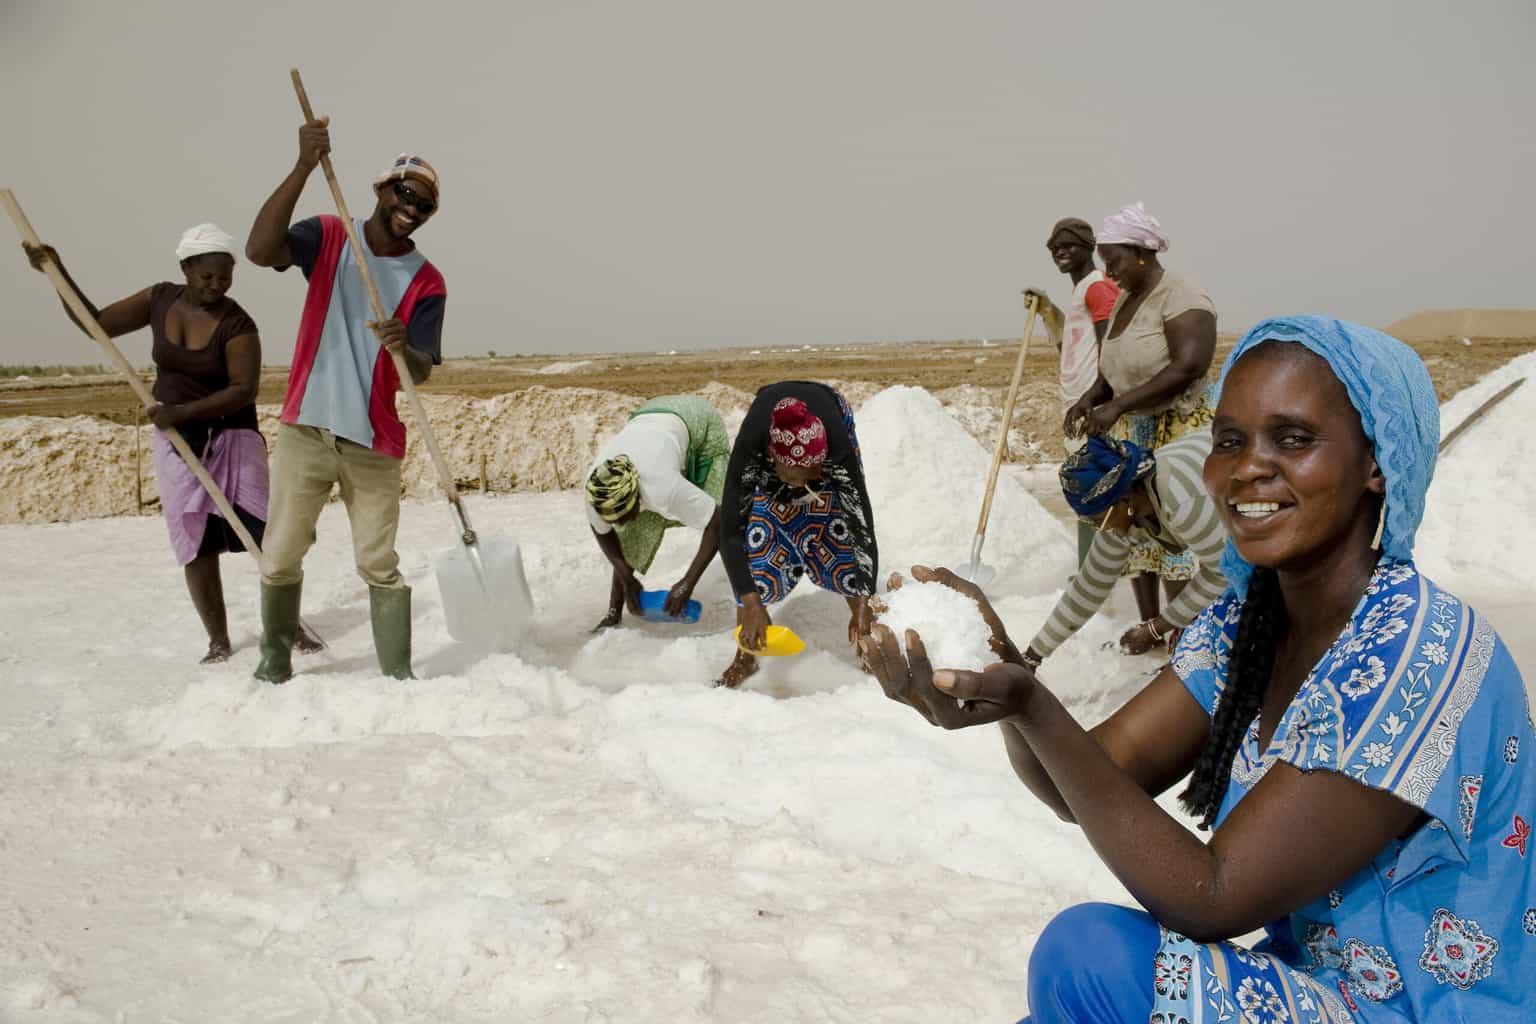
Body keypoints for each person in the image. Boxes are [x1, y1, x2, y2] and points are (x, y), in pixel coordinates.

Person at [862, 316, 1533, 1022]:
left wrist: (1032, 704)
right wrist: (996, 679)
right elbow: (1085, 781)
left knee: (1085, 957)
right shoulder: (1248, 624)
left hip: (1430, 1011)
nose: (1247, 467)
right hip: (1321, 990)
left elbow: (1211, 896)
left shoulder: (1418, 648)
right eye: (1230, 440)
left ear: (1376, 463)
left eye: (1294, 439)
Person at [19, 224, 318, 664]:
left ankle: (290, 625)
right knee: (194, 541)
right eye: (206, 277)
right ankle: (218, 640)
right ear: (186, 269)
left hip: (232, 437)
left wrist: (180, 413)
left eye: (224, 278)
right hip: (178, 441)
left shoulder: (238, 324)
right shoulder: (158, 299)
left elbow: (243, 390)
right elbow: (95, 324)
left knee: (264, 537)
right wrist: (56, 272)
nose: (216, 286)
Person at [244, 115, 445, 683]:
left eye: (425, 205)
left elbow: (423, 371)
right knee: (280, 552)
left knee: (378, 563)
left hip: (374, 440)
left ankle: (398, 674)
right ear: (383, 190)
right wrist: (305, 163)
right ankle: (274, 658)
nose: (412, 208)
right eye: (405, 194)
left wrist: (406, 348)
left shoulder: (428, 281)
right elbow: (261, 250)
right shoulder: (331, 236)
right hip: (307, 426)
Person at [1065, 202, 1218, 626]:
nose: (1108, 273)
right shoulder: (1126, 301)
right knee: (1134, 530)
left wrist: (1118, 406)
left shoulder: (1182, 295)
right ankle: (1148, 623)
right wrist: (1091, 398)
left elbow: (1190, 365)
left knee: (1174, 532)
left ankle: (1182, 633)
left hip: (1177, 430)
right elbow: (1115, 370)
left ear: (1141, 253)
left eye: (1112, 262)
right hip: (1136, 430)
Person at [718, 382, 877, 689]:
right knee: (760, 537)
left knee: (839, 530)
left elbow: (861, 524)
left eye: (815, 473)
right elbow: (731, 532)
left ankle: (869, 648)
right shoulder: (752, 447)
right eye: (795, 477)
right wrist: (751, 600)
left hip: (827, 428)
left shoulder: (836, 450)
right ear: (772, 459)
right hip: (772, 467)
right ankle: (744, 658)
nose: (806, 483)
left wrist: (865, 598)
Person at [1026, 432, 1227, 665]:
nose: (1099, 528)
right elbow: (1090, 585)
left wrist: (1158, 627)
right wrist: (1033, 656)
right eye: (1089, 522)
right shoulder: (1123, 507)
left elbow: (1224, 572)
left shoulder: (1183, 502)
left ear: (1124, 501)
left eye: (1098, 520)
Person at [585, 395, 729, 631]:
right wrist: (625, 576)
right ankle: (613, 613)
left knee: (727, 513)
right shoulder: (596, 491)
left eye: (623, 515)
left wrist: (687, 583)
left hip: (698, 419)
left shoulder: (663, 488)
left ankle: (747, 599)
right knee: (631, 533)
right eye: (613, 519)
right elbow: (602, 532)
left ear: (637, 497)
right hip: (648, 418)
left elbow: (717, 521)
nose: (619, 524)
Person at [1023, 216, 1119, 565]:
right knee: (1087, 487)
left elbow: (1112, 348)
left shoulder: (1097, 287)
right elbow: (1073, 349)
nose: (1060, 251)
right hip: (1079, 403)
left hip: (1093, 406)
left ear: (1088, 247)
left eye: (1069, 245)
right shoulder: (1081, 291)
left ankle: (1097, 572)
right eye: (1054, 247)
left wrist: (1095, 398)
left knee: (1095, 487)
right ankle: (1092, 569)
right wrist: (1048, 312)